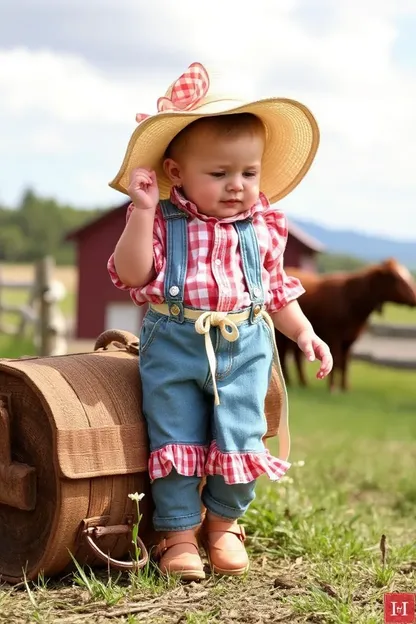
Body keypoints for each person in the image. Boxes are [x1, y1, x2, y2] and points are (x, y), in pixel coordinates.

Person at [107, 62, 333, 581]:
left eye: (248, 174)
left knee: (242, 434)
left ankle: (225, 525)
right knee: (175, 434)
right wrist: (142, 212)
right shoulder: (162, 219)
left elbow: (275, 291)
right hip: (176, 340)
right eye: (219, 174)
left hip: (245, 340)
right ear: (175, 173)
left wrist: (304, 333)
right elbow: (131, 273)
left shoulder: (264, 224)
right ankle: (178, 532)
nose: (237, 186)